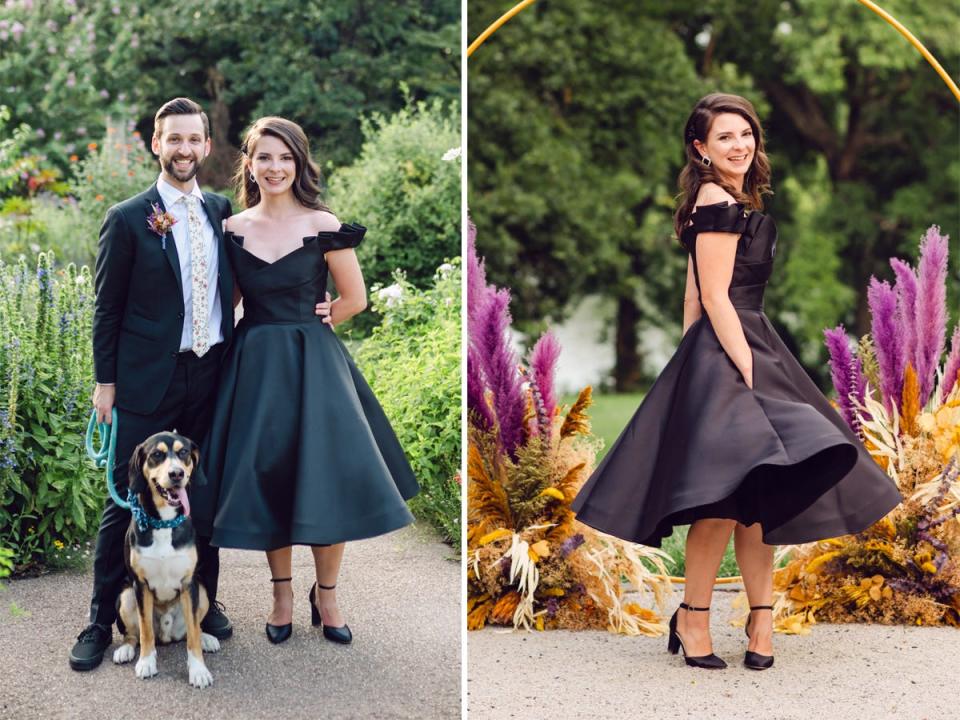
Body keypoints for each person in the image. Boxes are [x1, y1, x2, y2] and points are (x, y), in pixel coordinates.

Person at [571, 93, 901, 671]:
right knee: (722, 500)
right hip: (738, 351)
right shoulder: (717, 200)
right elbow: (717, 297)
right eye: (724, 137)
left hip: (736, 344)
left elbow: (694, 294)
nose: (739, 144)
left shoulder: (724, 199)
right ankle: (694, 619)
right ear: (700, 148)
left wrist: (691, 361)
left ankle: (760, 619)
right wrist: (735, 371)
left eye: (746, 133)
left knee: (760, 494)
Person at [71, 98, 334, 672]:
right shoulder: (127, 217)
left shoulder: (221, 212)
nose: (184, 149)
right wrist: (105, 384)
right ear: (156, 145)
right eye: (174, 140)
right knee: (125, 500)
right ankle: (100, 618)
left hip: (212, 372)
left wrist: (314, 306)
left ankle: (202, 603)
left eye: (194, 140)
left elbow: (259, 272)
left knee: (202, 495)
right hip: (144, 381)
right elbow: (105, 310)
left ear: (208, 146)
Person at [191, 116, 419, 646]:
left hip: (314, 365)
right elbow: (230, 306)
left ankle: (329, 595)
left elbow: (355, 299)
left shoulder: (323, 223)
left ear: (300, 163)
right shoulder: (232, 229)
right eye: (264, 157)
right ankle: (282, 595)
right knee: (271, 477)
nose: (275, 167)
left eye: (285, 157)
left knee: (325, 477)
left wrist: (318, 320)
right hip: (255, 368)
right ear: (249, 163)